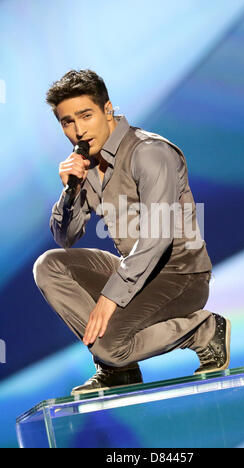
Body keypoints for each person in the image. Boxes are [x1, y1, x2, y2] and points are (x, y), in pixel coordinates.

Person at [33, 69, 231, 396]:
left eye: (86, 115)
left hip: (182, 274)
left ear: (107, 110)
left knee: (109, 345)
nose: (79, 129)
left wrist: (111, 298)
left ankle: (203, 330)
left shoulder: (150, 152)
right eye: (68, 122)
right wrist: (70, 192)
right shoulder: (86, 164)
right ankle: (118, 369)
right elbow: (65, 237)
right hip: (135, 270)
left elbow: (157, 237)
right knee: (49, 266)